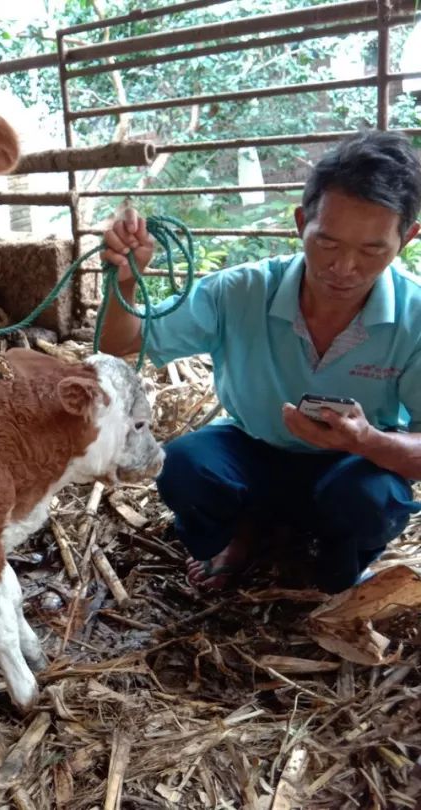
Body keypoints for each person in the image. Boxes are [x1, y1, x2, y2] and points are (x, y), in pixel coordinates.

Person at [98, 130, 421, 593]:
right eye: (327, 242)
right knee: (184, 466)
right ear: (300, 222)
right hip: (252, 449)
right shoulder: (239, 291)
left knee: (371, 497)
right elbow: (124, 343)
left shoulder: (416, 317)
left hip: (352, 464)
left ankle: (335, 564)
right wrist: (126, 283)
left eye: (372, 250)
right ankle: (240, 534)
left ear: (407, 238)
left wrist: (367, 441)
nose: (344, 267)